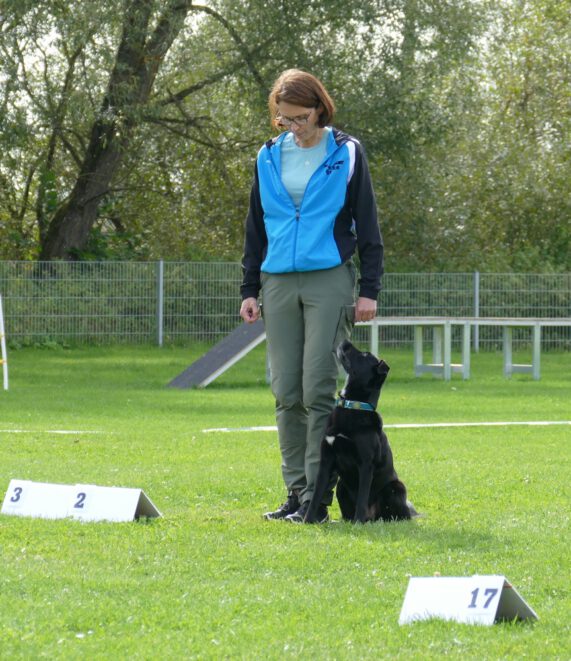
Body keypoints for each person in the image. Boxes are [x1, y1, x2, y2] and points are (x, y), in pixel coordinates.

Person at [239, 69, 383, 523]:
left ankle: (317, 500)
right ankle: (296, 492)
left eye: (301, 117)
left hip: (329, 278)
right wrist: (249, 288)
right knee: (286, 390)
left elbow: (368, 223)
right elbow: (256, 226)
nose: (294, 126)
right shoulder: (267, 156)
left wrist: (369, 290)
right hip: (277, 279)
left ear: (320, 109)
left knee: (318, 387)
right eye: (285, 119)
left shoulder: (347, 152)